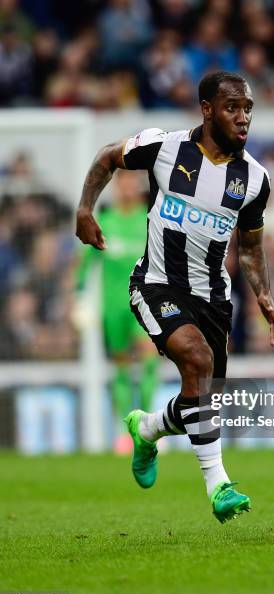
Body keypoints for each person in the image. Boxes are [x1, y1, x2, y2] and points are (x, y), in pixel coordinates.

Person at [75, 70, 274, 523]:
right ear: (207, 110)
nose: (243, 117)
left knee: (203, 397)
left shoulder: (254, 180)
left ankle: (147, 427)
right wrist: (85, 207)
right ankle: (219, 486)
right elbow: (108, 157)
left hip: (213, 297)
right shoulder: (165, 147)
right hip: (156, 283)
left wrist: (263, 293)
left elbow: (249, 246)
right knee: (197, 359)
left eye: (247, 108)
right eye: (232, 107)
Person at [76, 170, 160, 453]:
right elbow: (86, 263)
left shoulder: (148, 222)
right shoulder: (106, 223)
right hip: (113, 308)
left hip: (145, 304)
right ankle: (128, 432)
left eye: (130, 185)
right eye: (121, 185)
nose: (126, 190)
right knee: (121, 369)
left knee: (149, 360)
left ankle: (149, 424)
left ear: (137, 188)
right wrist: (79, 297)